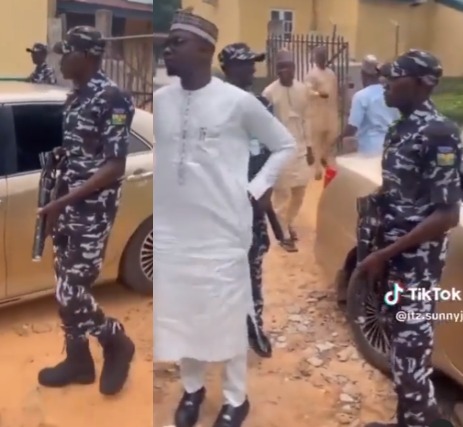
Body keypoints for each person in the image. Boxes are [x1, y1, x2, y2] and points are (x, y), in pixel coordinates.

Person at [154, 10, 296, 427]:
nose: (167, 49)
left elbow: (284, 144)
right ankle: (192, 389)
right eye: (168, 41)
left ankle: (236, 398)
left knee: (228, 314)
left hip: (223, 231)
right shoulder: (161, 101)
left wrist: (256, 188)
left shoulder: (238, 102)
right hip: (174, 232)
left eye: (177, 42)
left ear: (204, 49)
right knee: (183, 311)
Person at [357, 50, 462, 427]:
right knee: (400, 355)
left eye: (394, 76)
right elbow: (397, 193)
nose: (384, 83)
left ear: (422, 84)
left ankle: (426, 421)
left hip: (416, 269)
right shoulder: (400, 129)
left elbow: (447, 215)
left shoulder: (440, 134)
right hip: (392, 265)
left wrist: (385, 253)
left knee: (410, 358)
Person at [36, 26, 135, 396]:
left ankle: (116, 341)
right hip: (67, 205)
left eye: (67, 52)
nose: (61, 60)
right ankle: (79, 361)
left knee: (72, 291)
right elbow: (83, 153)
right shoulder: (76, 96)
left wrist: (61, 202)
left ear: (88, 56)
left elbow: (115, 166)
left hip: (92, 211)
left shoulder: (112, 98)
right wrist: (59, 171)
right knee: (63, 283)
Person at [218, 42, 275, 358]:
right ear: (227, 69)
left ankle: (253, 325)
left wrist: (266, 190)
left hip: (253, 203)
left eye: (253, 62)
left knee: (252, 264)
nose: (252, 69)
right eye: (245, 64)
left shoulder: (262, 105)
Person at [262, 49, 312, 252]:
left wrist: (310, 148)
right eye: (281, 67)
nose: (286, 71)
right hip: (279, 149)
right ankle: (283, 234)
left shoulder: (302, 90)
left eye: (289, 66)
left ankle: (288, 222)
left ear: (294, 68)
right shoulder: (269, 93)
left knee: (300, 190)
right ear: (276, 70)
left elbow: (307, 119)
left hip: (300, 148)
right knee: (282, 194)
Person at [336, 55, 400, 156]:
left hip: (370, 148)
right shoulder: (390, 93)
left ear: (363, 75)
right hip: (391, 146)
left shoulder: (361, 96)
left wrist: (337, 140)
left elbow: (352, 127)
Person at [304, 46, 339, 180]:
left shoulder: (331, 74)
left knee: (330, 137)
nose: (322, 58)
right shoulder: (311, 74)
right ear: (316, 58)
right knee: (317, 141)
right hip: (317, 111)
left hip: (330, 111)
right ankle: (317, 169)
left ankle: (324, 157)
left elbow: (335, 92)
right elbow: (307, 91)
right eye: (320, 55)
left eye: (324, 55)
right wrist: (318, 94)